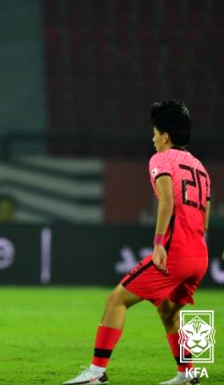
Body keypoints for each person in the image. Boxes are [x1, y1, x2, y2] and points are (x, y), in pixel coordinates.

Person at [63, 101, 211, 385]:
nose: (153, 138)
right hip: (199, 255)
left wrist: (158, 244)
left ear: (165, 135)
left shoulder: (161, 159)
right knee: (169, 310)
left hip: (175, 252)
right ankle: (188, 373)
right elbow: (204, 220)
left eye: (155, 132)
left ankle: (96, 372)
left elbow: (167, 202)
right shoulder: (200, 167)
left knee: (116, 300)